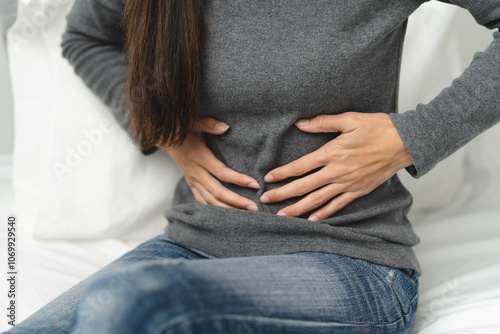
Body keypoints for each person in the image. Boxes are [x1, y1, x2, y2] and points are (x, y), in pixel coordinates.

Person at [6, 0, 500, 333]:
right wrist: (162, 126)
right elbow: (86, 37)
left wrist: (410, 137)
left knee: (128, 303)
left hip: (350, 262)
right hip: (194, 246)